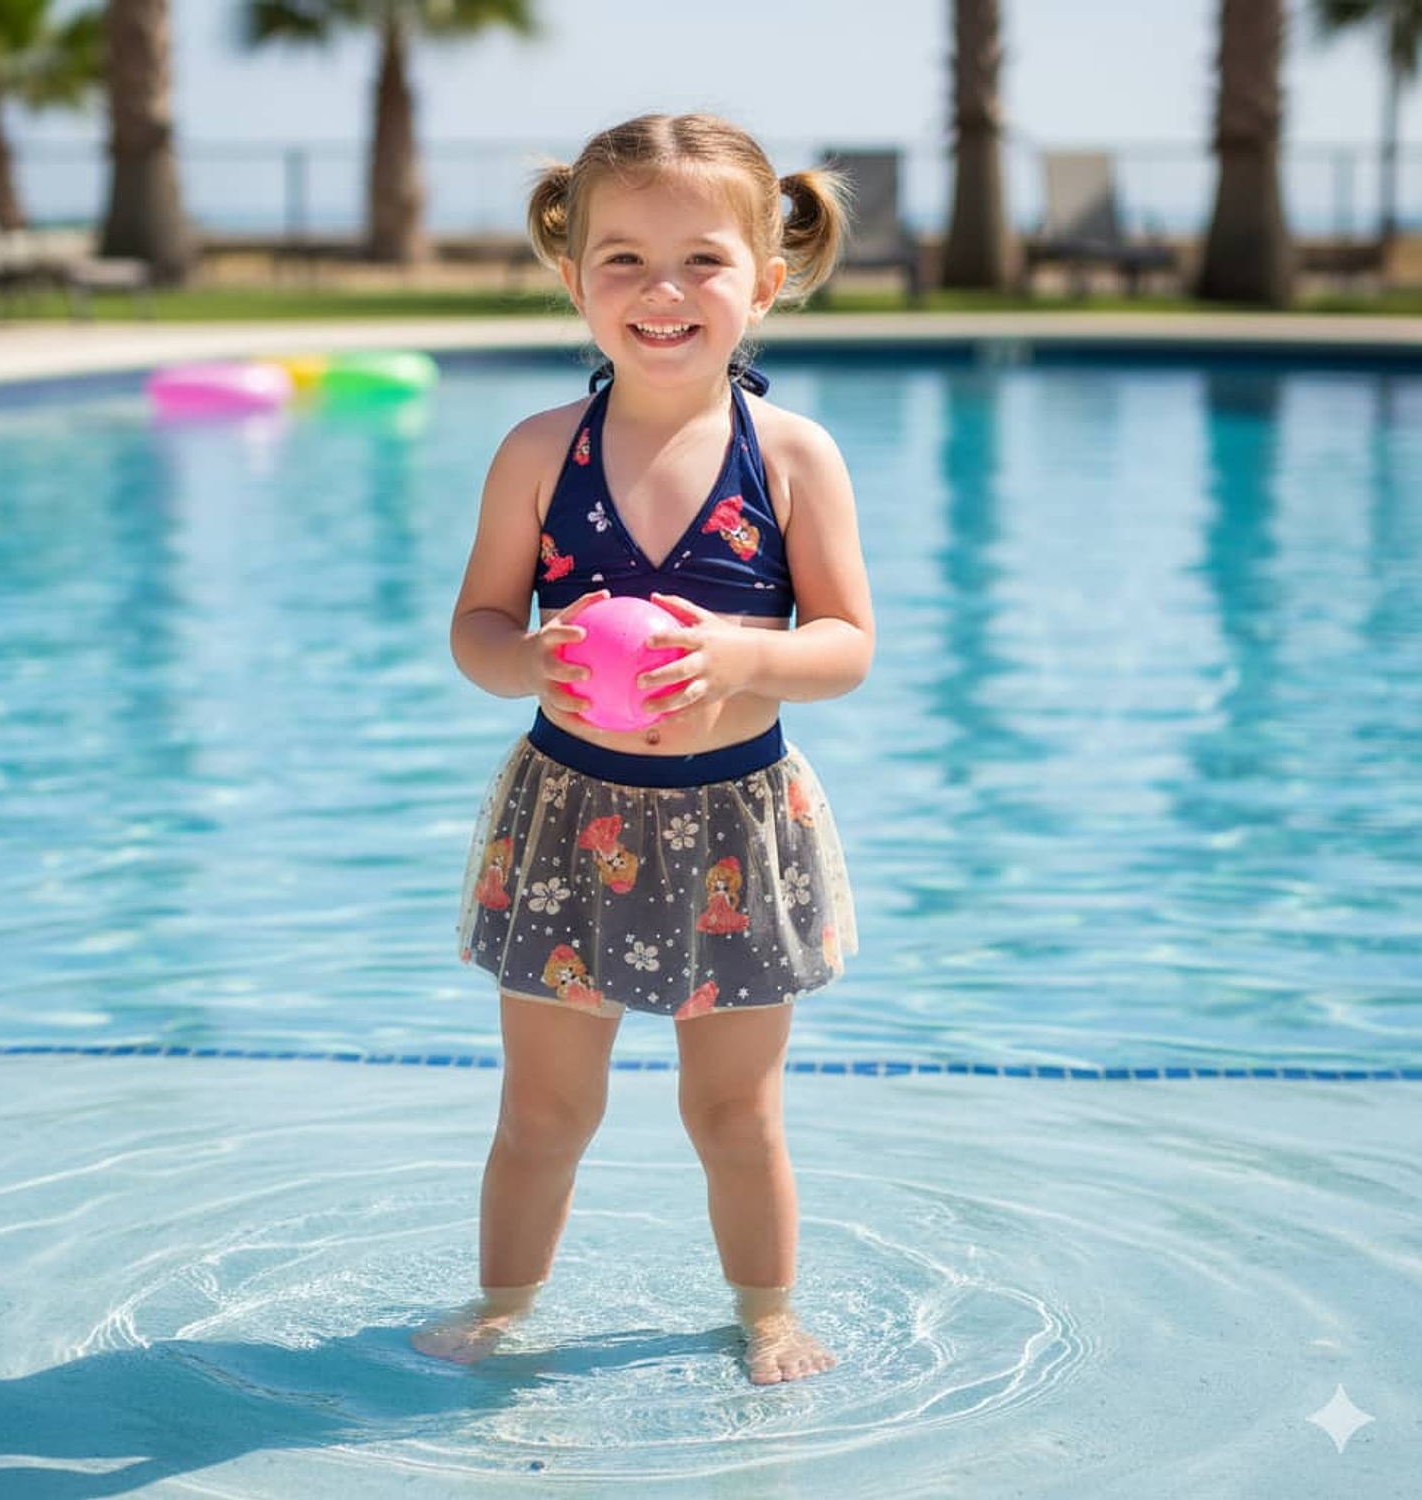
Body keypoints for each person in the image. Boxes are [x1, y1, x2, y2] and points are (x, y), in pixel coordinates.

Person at [411, 113, 874, 1386]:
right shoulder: (538, 454)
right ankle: (504, 1308)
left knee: (734, 1113)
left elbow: (845, 644)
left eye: (702, 263)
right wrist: (524, 663)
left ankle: (767, 1315)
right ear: (573, 278)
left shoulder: (789, 456)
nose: (661, 293)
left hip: (738, 817)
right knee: (544, 1111)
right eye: (622, 259)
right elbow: (478, 624)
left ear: (766, 282)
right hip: (570, 817)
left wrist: (745, 659)